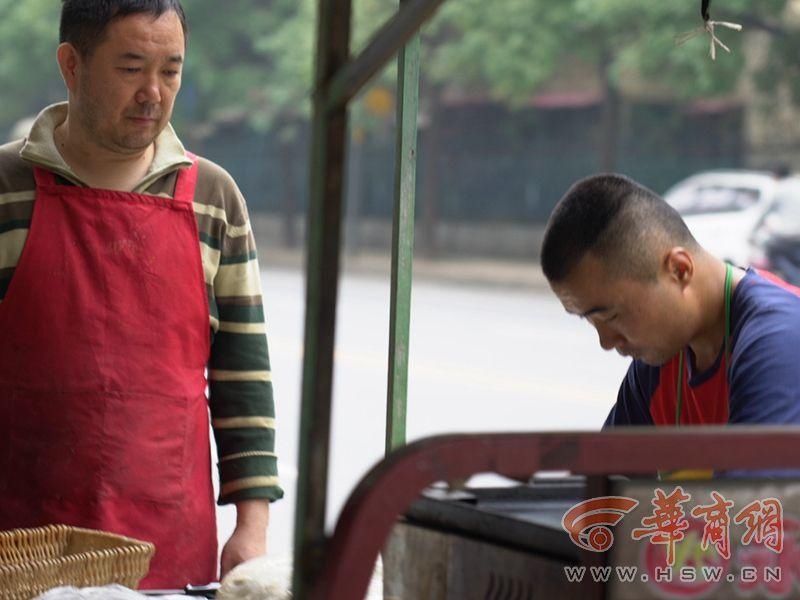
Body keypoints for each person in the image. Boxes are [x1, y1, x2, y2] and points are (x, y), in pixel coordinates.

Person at [0, 0, 283, 589]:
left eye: (171, 71)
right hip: (19, 544)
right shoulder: (6, 189)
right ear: (72, 65)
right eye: (131, 68)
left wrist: (250, 526)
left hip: (168, 542)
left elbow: (244, 374)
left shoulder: (214, 198)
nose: (153, 92)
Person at [540, 173, 800, 431]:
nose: (606, 342)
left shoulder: (780, 336)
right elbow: (604, 468)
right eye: (588, 319)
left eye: (611, 317)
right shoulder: (660, 363)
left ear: (679, 270)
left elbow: (761, 472)